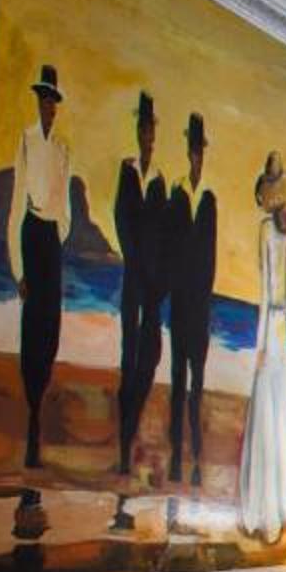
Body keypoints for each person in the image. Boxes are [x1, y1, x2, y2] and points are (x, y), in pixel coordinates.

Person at [237, 152, 286, 541]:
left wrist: (261, 343)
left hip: (270, 330)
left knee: (265, 412)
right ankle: (277, 509)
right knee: (278, 413)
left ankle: (261, 512)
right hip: (282, 332)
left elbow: (266, 291)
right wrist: (279, 334)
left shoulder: (266, 230)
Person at [11, 65, 70, 468]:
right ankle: (31, 415)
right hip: (31, 232)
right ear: (38, 102)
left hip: (51, 237)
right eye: (43, 99)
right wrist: (19, 269)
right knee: (32, 326)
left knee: (51, 326)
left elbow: (64, 204)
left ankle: (39, 400)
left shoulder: (62, 149)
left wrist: (58, 232)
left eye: (52, 101)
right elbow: (17, 202)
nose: (48, 106)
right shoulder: (28, 140)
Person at [111, 91, 168, 477]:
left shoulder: (160, 181)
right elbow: (121, 219)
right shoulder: (128, 172)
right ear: (137, 132)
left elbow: (164, 234)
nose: (147, 136)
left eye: (151, 130)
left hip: (152, 286)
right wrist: (136, 262)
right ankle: (124, 440)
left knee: (149, 356)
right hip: (133, 280)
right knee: (127, 358)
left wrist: (157, 278)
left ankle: (129, 429)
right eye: (143, 129)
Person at [164, 113, 219, 486]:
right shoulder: (178, 194)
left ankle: (196, 456)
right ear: (188, 152)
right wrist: (176, 289)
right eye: (193, 150)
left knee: (196, 385)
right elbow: (170, 250)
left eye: (201, 150)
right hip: (180, 303)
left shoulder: (209, 199)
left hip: (199, 307)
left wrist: (203, 301)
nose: (197, 156)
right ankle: (175, 455)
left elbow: (210, 258)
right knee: (176, 379)